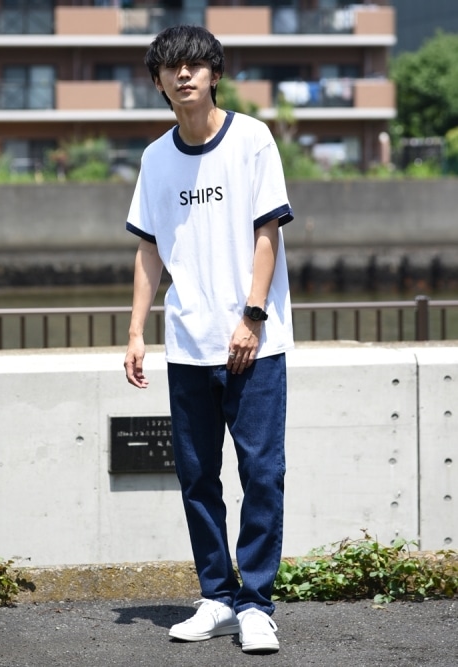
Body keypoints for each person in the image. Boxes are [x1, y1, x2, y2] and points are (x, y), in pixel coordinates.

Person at [124, 24, 294, 654]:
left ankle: (257, 604)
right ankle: (218, 598)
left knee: (262, 474)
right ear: (159, 82)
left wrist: (253, 315)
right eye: (171, 68)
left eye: (195, 65)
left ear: (214, 74)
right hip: (188, 344)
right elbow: (149, 249)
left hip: (254, 344)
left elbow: (267, 232)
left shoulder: (252, 139)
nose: (183, 75)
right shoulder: (155, 158)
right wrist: (136, 331)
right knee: (198, 478)